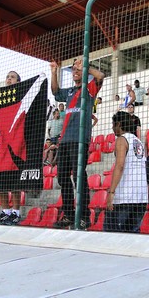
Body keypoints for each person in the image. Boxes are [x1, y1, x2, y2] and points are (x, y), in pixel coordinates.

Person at [51, 59, 104, 229]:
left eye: (78, 68)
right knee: (62, 178)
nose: (75, 70)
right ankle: (68, 214)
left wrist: (86, 66)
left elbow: (101, 76)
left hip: (79, 139)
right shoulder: (70, 91)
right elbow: (55, 91)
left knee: (79, 177)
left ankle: (84, 217)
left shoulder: (88, 89)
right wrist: (53, 72)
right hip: (65, 140)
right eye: (74, 68)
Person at [105, 111, 148, 233]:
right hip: (141, 197)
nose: (112, 128)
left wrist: (111, 192)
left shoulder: (121, 140)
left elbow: (119, 166)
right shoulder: (138, 141)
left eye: (113, 124)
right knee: (133, 235)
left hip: (125, 196)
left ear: (118, 124)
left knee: (112, 234)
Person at [0, 71, 25, 226]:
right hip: (1, 143)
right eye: (7, 77)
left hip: (15, 143)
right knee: (0, 180)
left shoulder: (22, 95)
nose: (8, 79)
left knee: (14, 180)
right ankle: (5, 212)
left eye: (12, 77)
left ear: (18, 82)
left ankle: (16, 212)